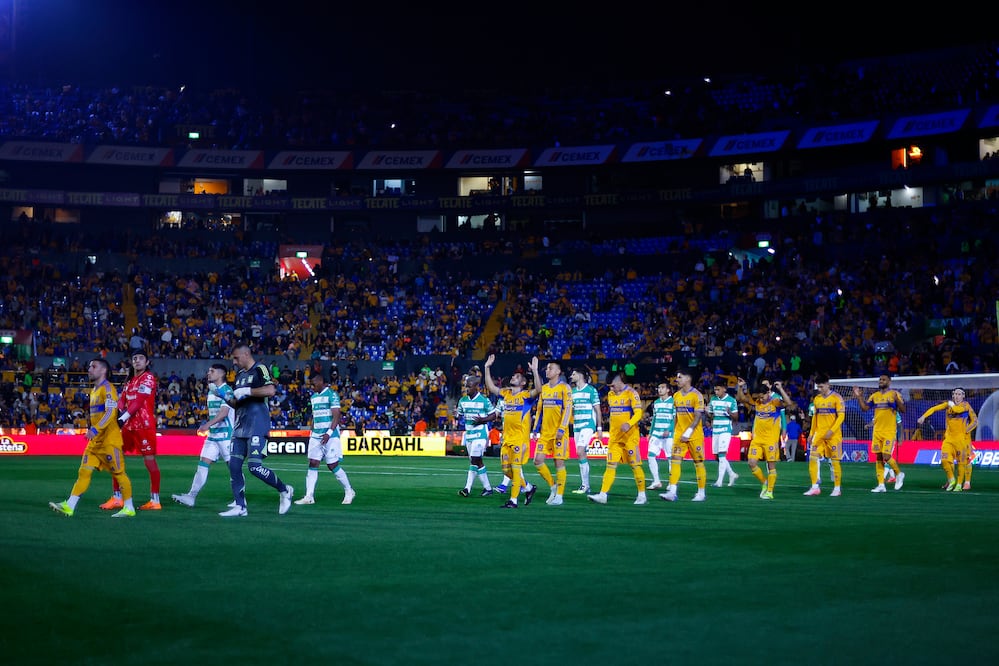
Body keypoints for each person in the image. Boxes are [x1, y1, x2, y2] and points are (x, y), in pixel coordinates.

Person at [49, 358, 136, 518]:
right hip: (95, 442)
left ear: (103, 370)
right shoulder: (94, 390)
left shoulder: (108, 388)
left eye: (93, 366)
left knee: (119, 474)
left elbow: (111, 413)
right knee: (84, 471)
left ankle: (129, 507)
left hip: (110, 440)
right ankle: (70, 505)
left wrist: (95, 429)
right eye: (89, 365)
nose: (89, 369)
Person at [219, 342, 294, 517]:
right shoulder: (239, 375)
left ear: (246, 354)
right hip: (240, 427)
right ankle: (240, 507)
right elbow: (238, 403)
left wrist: (247, 390)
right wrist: (224, 396)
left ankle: (284, 490)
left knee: (254, 467)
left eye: (236, 358)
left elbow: (270, 390)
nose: (235, 362)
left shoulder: (260, 369)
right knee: (234, 466)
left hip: (257, 426)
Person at [99, 350, 160, 511]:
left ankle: (155, 500)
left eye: (141, 358)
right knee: (115, 457)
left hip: (144, 425)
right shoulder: (130, 381)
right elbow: (121, 402)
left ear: (147, 362)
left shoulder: (148, 378)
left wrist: (122, 418)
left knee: (150, 462)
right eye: (134, 358)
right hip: (129, 426)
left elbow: (139, 402)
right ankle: (117, 497)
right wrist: (112, 414)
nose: (137, 361)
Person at [171, 363, 234, 507]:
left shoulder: (227, 391)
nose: (208, 373)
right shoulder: (212, 392)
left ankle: (239, 499)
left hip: (226, 436)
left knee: (233, 468)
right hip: (213, 436)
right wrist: (209, 426)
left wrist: (207, 425)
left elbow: (223, 413)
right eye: (208, 370)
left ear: (221, 374)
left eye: (212, 371)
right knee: (202, 465)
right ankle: (191, 496)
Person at [482, 354, 539, 508]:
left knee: (515, 468)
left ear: (523, 382)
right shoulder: (506, 394)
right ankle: (528, 487)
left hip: (519, 439)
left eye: (516, 376)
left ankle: (513, 500)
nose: (513, 377)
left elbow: (538, 389)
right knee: (507, 471)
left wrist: (535, 371)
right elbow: (491, 387)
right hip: (506, 439)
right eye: (513, 376)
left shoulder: (526, 396)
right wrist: (487, 367)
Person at [294, 372, 355, 505]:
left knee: (332, 465)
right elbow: (315, 416)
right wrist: (312, 431)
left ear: (321, 381)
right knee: (313, 463)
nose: (312, 386)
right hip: (316, 435)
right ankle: (309, 496)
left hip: (330, 436)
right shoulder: (314, 397)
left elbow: (336, 416)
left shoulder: (332, 395)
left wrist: (328, 432)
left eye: (313, 384)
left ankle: (349, 490)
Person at [587, 374, 647, 504]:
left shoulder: (631, 393)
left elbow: (638, 413)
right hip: (615, 437)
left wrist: (629, 423)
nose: (611, 388)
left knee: (635, 465)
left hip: (630, 437)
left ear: (619, 381)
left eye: (613, 385)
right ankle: (603, 495)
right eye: (610, 387)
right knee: (610, 465)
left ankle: (642, 495)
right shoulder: (611, 395)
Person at [735, 378, 794, 499]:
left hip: (770, 440)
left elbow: (788, 403)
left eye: (762, 397)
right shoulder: (757, 402)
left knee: (771, 466)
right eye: (759, 397)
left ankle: (770, 492)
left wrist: (781, 389)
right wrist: (740, 387)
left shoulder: (775, 402)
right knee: (751, 463)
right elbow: (741, 398)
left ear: (768, 393)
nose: (760, 399)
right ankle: (764, 482)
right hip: (757, 440)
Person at [916, 387, 978, 491]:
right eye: (955, 394)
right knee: (947, 459)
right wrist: (924, 416)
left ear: (963, 396)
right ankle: (950, 480)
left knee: (965, 460)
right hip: (950, 437)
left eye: (959, 394)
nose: (956, 396)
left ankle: (966, 482)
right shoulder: (948, 405)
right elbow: (934, 408)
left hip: (964, 438)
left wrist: (966, 431)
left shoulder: (965, 405)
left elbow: (975, 421)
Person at [660, 368, 707, 502]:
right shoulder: (676, 396)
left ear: (688, 378)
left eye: (680, 377)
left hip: (694, 435)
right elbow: (676, 416)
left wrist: (688, 431)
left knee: (698, 462)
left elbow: (698, 417)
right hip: (680, 435)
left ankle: (701, 493)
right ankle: (672, 491)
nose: (677, 379)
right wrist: (674, 430)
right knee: (675, 460)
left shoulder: (697, 395)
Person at [853, 375, 906, 492]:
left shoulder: (894, 394)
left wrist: (896, 400)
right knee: (878, 457)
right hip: (877, 431)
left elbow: (903, 410)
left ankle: (899, 473)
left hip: (889, 431)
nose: (881, 381)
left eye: (883, 380)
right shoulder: (875, 396)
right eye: (880, 380)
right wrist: (859, 397)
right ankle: (881, 485)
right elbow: (864, 408)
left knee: (886, 456)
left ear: (889, 382)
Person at [531, 359, 573, 505]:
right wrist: (535, 429)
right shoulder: (544, 389)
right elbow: (539, 410)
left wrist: (562, 428)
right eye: (547, 368)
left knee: (558, 463)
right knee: (537, 461)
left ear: (558, 372)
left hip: (559, 432)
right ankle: (553, 487)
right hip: (545, 433)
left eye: (550, 368)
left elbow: (568, 408)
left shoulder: (565, 388)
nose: (547, 370)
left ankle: (560, 496)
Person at [455, 373, 498, 497]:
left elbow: (494, 414)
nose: (466, 388)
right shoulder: (462, 401)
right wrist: (456, 414)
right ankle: (488, 488)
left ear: (476, 387)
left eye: (469, 386)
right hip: (469, 434)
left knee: (474, 460)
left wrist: (482, 420)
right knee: (477, 461)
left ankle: (467, 489)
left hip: (481, 434)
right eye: (465, 386)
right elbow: (459, 414)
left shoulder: (484, 400)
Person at [803, 373, 846, 497]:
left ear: (828, 384)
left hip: (833, 435)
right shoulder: (817, 399)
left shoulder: (837, 398)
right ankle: (815, 487)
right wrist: (811, 434)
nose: (819, 389)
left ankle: (837, 488)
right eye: (818, 387)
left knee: (834, 461)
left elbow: (841, 416)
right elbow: (815, 418)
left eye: (821, 387)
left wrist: (831, 431)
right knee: (812, 458)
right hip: (819, 435)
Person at [568, 367, 602, 494]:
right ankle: (586, 485)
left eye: (574, 373)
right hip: (577, 426)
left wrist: (599, 428)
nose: (571, 375)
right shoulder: (572, 392)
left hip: (588, 424)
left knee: (580, 450)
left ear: (580, 375)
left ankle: (585, 485)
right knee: (581, 454)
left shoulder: (591, 390)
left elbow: (598, 410)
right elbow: (570, 410)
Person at [708, 379, 740, 487]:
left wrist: (729, 412)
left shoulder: (731, 400)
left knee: (722, 454)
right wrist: (708, 412)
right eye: (715, 390)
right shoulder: (713, 399)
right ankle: (731, 474)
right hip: (715, 429)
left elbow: (736, 417)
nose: (716, 392)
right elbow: (711, 416)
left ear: (724, 389)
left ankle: (719, 481)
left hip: (725, 429)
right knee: (717, 456)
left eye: (718, 389)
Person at [644, 381, 674, 490]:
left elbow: (675, 419)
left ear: (668, 390)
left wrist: (669, 429)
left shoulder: (673, 402)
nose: (659, 389)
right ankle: (656, 481)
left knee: (670, 458)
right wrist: (650, 433)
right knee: (650, 456)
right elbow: (655, 419)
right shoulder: (656, 403)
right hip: (656, 434)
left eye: (662, 387)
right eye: (658, 387)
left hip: (668, 435)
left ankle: (672, 482)